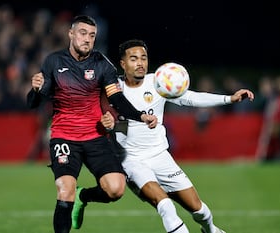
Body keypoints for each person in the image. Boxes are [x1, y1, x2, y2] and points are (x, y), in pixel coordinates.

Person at [100, 39, 255, 233]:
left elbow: (190, 98)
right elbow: (101, 118)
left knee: (199, 210)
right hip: (131, 160)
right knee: (165, 206)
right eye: (133, 59)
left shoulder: (157, 82)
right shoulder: (112, 89)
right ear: (123, 64)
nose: (140, 63)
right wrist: (106, 124)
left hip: (160, 156)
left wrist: (228, 98)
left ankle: (211, 230)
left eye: (144, 58)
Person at [26, 16, 157, 233]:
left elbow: (117, 99)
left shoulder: (102, 64)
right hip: (64, 136)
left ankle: (83, 195)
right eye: (83, 33)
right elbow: (34, 103)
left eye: (92, 35)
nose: (87, 39)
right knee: (64, 189)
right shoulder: (54, 62)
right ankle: (71, 198)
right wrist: (35, 89)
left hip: (95, 136)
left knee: (115, 189)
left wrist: (141, 116)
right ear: (71, 34)